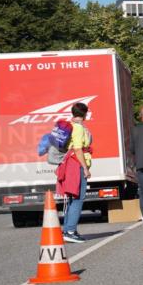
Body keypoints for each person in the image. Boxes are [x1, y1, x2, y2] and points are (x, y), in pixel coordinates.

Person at [62, 101, 93, 243]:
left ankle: (68, 229)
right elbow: (78, 149)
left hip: (70, 163)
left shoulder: (71, 125)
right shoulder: (78, 128)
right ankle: (70, 231)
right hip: (77, 165)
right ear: (84, 114)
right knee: (78, 198)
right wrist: (85, 168)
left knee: (72, 198)